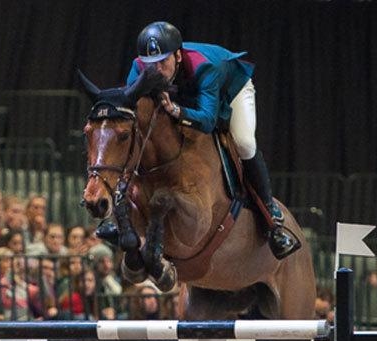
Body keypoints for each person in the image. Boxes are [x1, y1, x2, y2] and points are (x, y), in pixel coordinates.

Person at [108, 21, 299, 259]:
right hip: (188, 95)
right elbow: (130, 110)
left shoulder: (205, 67)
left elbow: (208, 120)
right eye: (150, 65)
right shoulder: (138, 68)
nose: (156, 70)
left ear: (177, 56)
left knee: (244, 142)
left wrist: (177, 111)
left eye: (162, 62)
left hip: (230, 91)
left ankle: (271, 218)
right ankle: (118, 212)